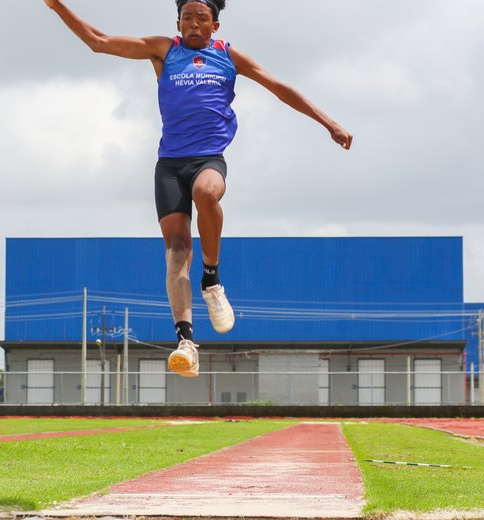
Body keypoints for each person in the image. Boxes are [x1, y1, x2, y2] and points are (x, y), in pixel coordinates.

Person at [43, 0, 353, 378]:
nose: (193, 24)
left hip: (208, 158)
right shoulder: (164, 50)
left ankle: (212, 276)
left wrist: (329, 123)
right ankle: (186, 342)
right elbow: (98, 41)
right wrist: (56, 5)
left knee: (206, 193)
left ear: (215, 25)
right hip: (170, 165)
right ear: (178, 23)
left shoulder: (227, 55)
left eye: (201, 19)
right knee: (175, 251)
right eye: (187, 18)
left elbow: (279, 88)